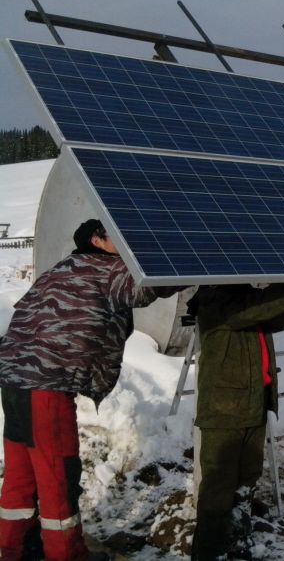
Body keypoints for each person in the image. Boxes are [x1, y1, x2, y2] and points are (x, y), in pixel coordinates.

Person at [0, 219, 180, 561]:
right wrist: (179, 263)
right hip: (47, 386)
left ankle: (11, 548)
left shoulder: (63, 268)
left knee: (21, 474)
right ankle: (65, 554)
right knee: (58, 475)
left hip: (13, 379)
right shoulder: (108, 268)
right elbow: (143, 288)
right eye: (115, 235)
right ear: (97, 241)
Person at [187, 282, 284, 561]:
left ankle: (237, 536)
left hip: (253, 402)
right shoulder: (213, 297)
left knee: (247, 476)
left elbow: (278, 317)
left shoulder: (249, 299)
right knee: (218, 486)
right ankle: (210, 552)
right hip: (224, 409)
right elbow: (245, 314)